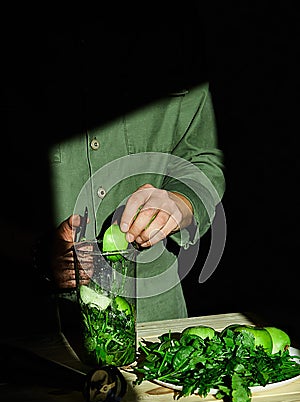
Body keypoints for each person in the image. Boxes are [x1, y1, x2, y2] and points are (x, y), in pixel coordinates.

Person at [33, 11, 226, 324]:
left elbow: (204, 155)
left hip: (154, 318)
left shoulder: (178, 43)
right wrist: (36, 255)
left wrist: (182, 202)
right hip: (35, 328)